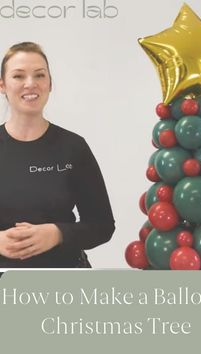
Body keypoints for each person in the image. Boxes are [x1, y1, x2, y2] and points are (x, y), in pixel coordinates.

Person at [0, 42, 115, 268]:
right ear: (2, 85)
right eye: (18, 76)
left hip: (63, 284)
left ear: (50, 84)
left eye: (40, 75)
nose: (30, 84)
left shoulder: (73, 147)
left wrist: (57, 233)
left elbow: (102, 226)